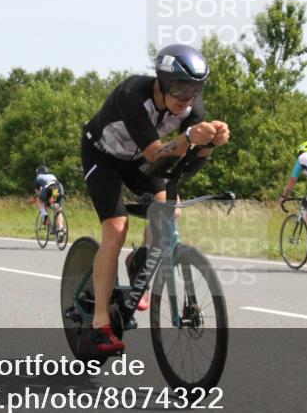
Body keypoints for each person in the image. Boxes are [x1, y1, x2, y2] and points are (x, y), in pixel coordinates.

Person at [81, 44, 230, 353]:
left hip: (137, 160)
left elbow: (185, 166)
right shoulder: (132, 95)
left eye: (195, 89)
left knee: (170, 210)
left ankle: (140, 259)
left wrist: (209, 144)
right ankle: (99, 325)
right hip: (102, 155)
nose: (187, 97)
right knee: (116, 228)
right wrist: (187, 138)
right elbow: (155, 153)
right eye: (180, 87)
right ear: (161, 81)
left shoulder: (192, 108)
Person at [34, 165, 65, 231]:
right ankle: (61, 228)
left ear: (38, 172)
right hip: (57, 188)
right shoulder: (52, 175)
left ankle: (45, 215)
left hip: (48, 189)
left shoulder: (38, 177)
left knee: (39, 200)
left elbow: (37, 191)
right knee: (57, 208)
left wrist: (42, 198)